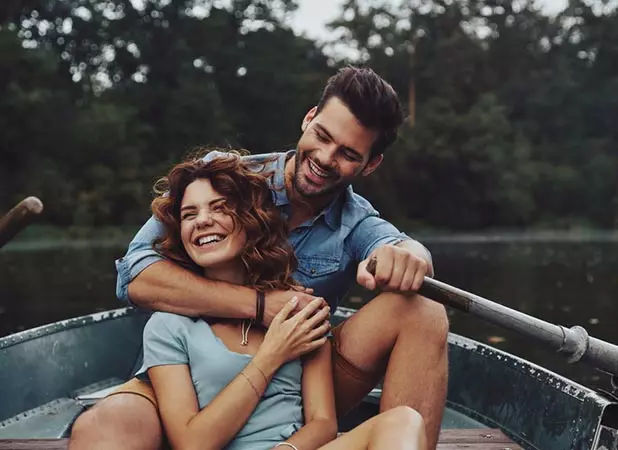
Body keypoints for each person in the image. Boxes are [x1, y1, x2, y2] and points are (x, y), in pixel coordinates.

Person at [69, 66, 449, 450]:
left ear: (370, 164)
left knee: (424, 311)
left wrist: (411, 255)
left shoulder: (356, 223)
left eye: (349, 154)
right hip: (183, 377)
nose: (325, 157)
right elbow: (134, 276)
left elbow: (401, 247)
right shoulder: (225, 180)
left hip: (291, 382)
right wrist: (260, 305)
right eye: (322, 136)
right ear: (309, 119)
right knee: (107, 427)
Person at [131, 155, 428, 450]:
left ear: (250, 219)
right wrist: (271, 355)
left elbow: (323, 422)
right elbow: (192, 444)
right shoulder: (167, 327)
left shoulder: (297, 309)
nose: (204, 221)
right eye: (189, 215)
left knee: (403, 421)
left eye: (220, 208)